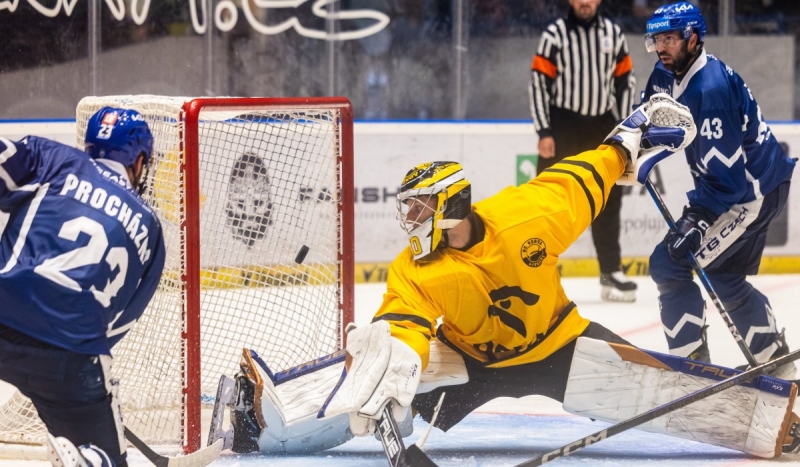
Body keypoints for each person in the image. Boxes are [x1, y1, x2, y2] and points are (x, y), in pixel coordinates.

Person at [211, 95, 800, 459]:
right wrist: (396, 353)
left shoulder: (530, 215)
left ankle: (779, 421)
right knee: (367, 392)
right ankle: (259, 417)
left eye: (417, 208)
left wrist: (630, 136)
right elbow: (406, 327)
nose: (407, 220)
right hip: (471, 361)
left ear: (449, 208)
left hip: (560, 344)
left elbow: (588, 175)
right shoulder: (414, 268)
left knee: (664, 389)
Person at [0, 107, 166, 467]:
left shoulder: (54, 159)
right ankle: (95, 459)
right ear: (139, 161)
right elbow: (120, 322)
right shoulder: (151, 229)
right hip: (73, 351)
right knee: (108, 460)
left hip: (4, 310)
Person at [640, 2, 797, 377]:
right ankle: (776, 361)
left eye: (671, 39)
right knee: (723, 276)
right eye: (657, 39)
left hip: (753, 193)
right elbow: (642, 122)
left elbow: (727, 181)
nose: (662, 47)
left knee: (669, 263)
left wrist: (695, 220)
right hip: (742, 188)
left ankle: (692, 368)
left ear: (693, 38)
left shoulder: (710, 90)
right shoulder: (664, 75)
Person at [529, 0, 638, 302]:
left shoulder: (613, 34)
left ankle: (611, 272)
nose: (585, 2)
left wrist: (624, 126)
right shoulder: (555, 35)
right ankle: (538, 271)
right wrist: (544, 131)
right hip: (562, 126)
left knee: (608, 199)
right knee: (548, 203)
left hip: (602, 127)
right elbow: (538, 84)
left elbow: (625, 81)